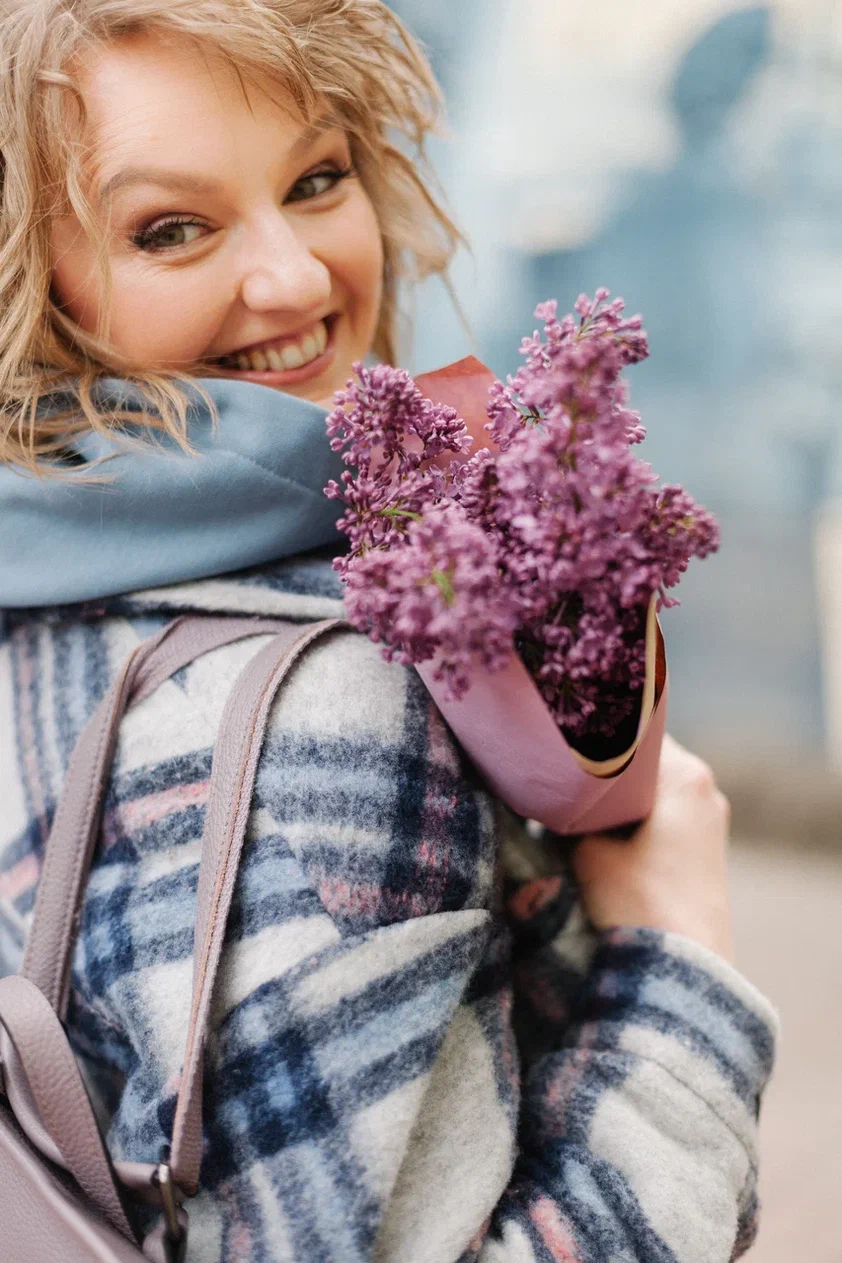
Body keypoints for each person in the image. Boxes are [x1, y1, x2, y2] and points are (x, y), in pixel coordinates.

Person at [0, 3, 776, 1261]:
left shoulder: (42, 590)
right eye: (171, 228)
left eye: (317, 178)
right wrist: (671, 956)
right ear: (24, 280)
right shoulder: (329, 708)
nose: (299, 278)